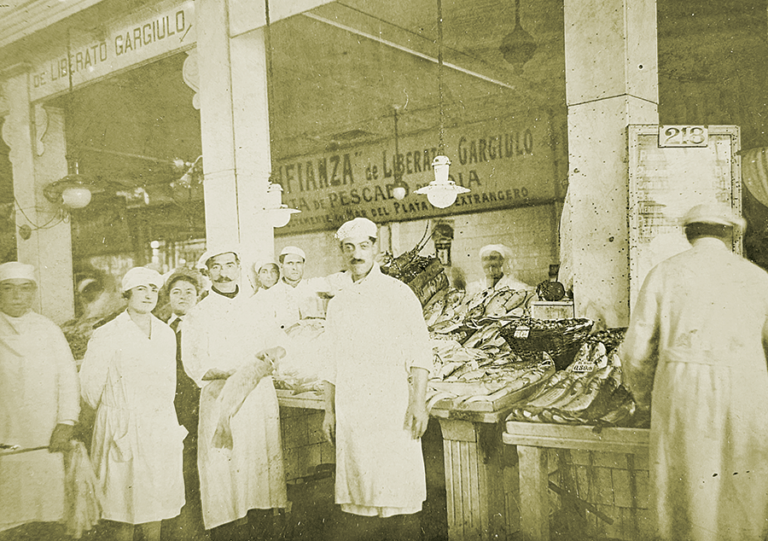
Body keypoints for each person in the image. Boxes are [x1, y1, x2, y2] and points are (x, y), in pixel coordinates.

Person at [621, 203, 768, 541]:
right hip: (748, 388)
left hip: (682, 388)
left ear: (688, 233)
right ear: (731, 234)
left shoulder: (664, 273)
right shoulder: (757, 277)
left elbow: (635, 351)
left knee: (687, 485)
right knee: (742, 484)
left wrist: (645, 398)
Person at [321, 218, 432, 541]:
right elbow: (330, 361)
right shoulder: (338, 303)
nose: (356, 254)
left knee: (399, 495)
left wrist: (418, 403)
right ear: (342, 252)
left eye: (363, 246)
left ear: (375, 249)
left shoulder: (399, 293)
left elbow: (420, 353)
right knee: (359, 502)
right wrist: (328, 410)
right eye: (349, 248)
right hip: (352, 410)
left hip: (391, 406)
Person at [181, 247, 287, 540]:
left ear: (239, 267)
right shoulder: (197, 315)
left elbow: (278, 342)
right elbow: (194, 366)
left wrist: (275, 352)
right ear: (208, 272)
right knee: (222, 474)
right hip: (221, 400)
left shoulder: (258, 306)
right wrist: (231, 372)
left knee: (260, 474)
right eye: (217, 267)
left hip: (258, 400)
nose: (224, 272)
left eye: (229, 265)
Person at [79, 267, 185, 541]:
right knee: (121, 510)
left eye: (153, 288)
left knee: (155, 506)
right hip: (119, 425)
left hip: (158, 426)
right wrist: (120, 410)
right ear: (127, 294)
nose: (149, 294)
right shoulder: (107, 333)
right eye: (141, 289)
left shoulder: (165, 333)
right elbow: (89, 390)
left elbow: (168, 385)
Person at [0, 262, 80, 539]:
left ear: (33, 293)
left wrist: (66, 422)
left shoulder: (48, 330)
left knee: (47, 517)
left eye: (24, 289)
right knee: (7, 519)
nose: (17, 296)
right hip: (5, 438)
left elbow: (68, 379)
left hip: (45, 438)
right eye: (8, 289)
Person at [160, 270, 206, 541]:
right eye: (177, 292)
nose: (183, 296)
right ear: (167, 297)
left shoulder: (204, 325)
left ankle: (195, 529)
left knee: (193, 466)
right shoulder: (162, 327)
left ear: (198, 296)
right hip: (168, 405)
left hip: (196, 403)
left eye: (189, 291)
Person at [258, 246, 329, 331]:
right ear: (281, 265)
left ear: (304, 265)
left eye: (298, 263)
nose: (295, 268)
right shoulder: (270, 294)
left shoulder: (315, 286)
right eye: (290, 263)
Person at [465, 244, 533, 298]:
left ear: (501, 261)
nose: (489, 263)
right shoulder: (473, 288)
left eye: (493, 258)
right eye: (485, 259)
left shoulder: (517, 287)